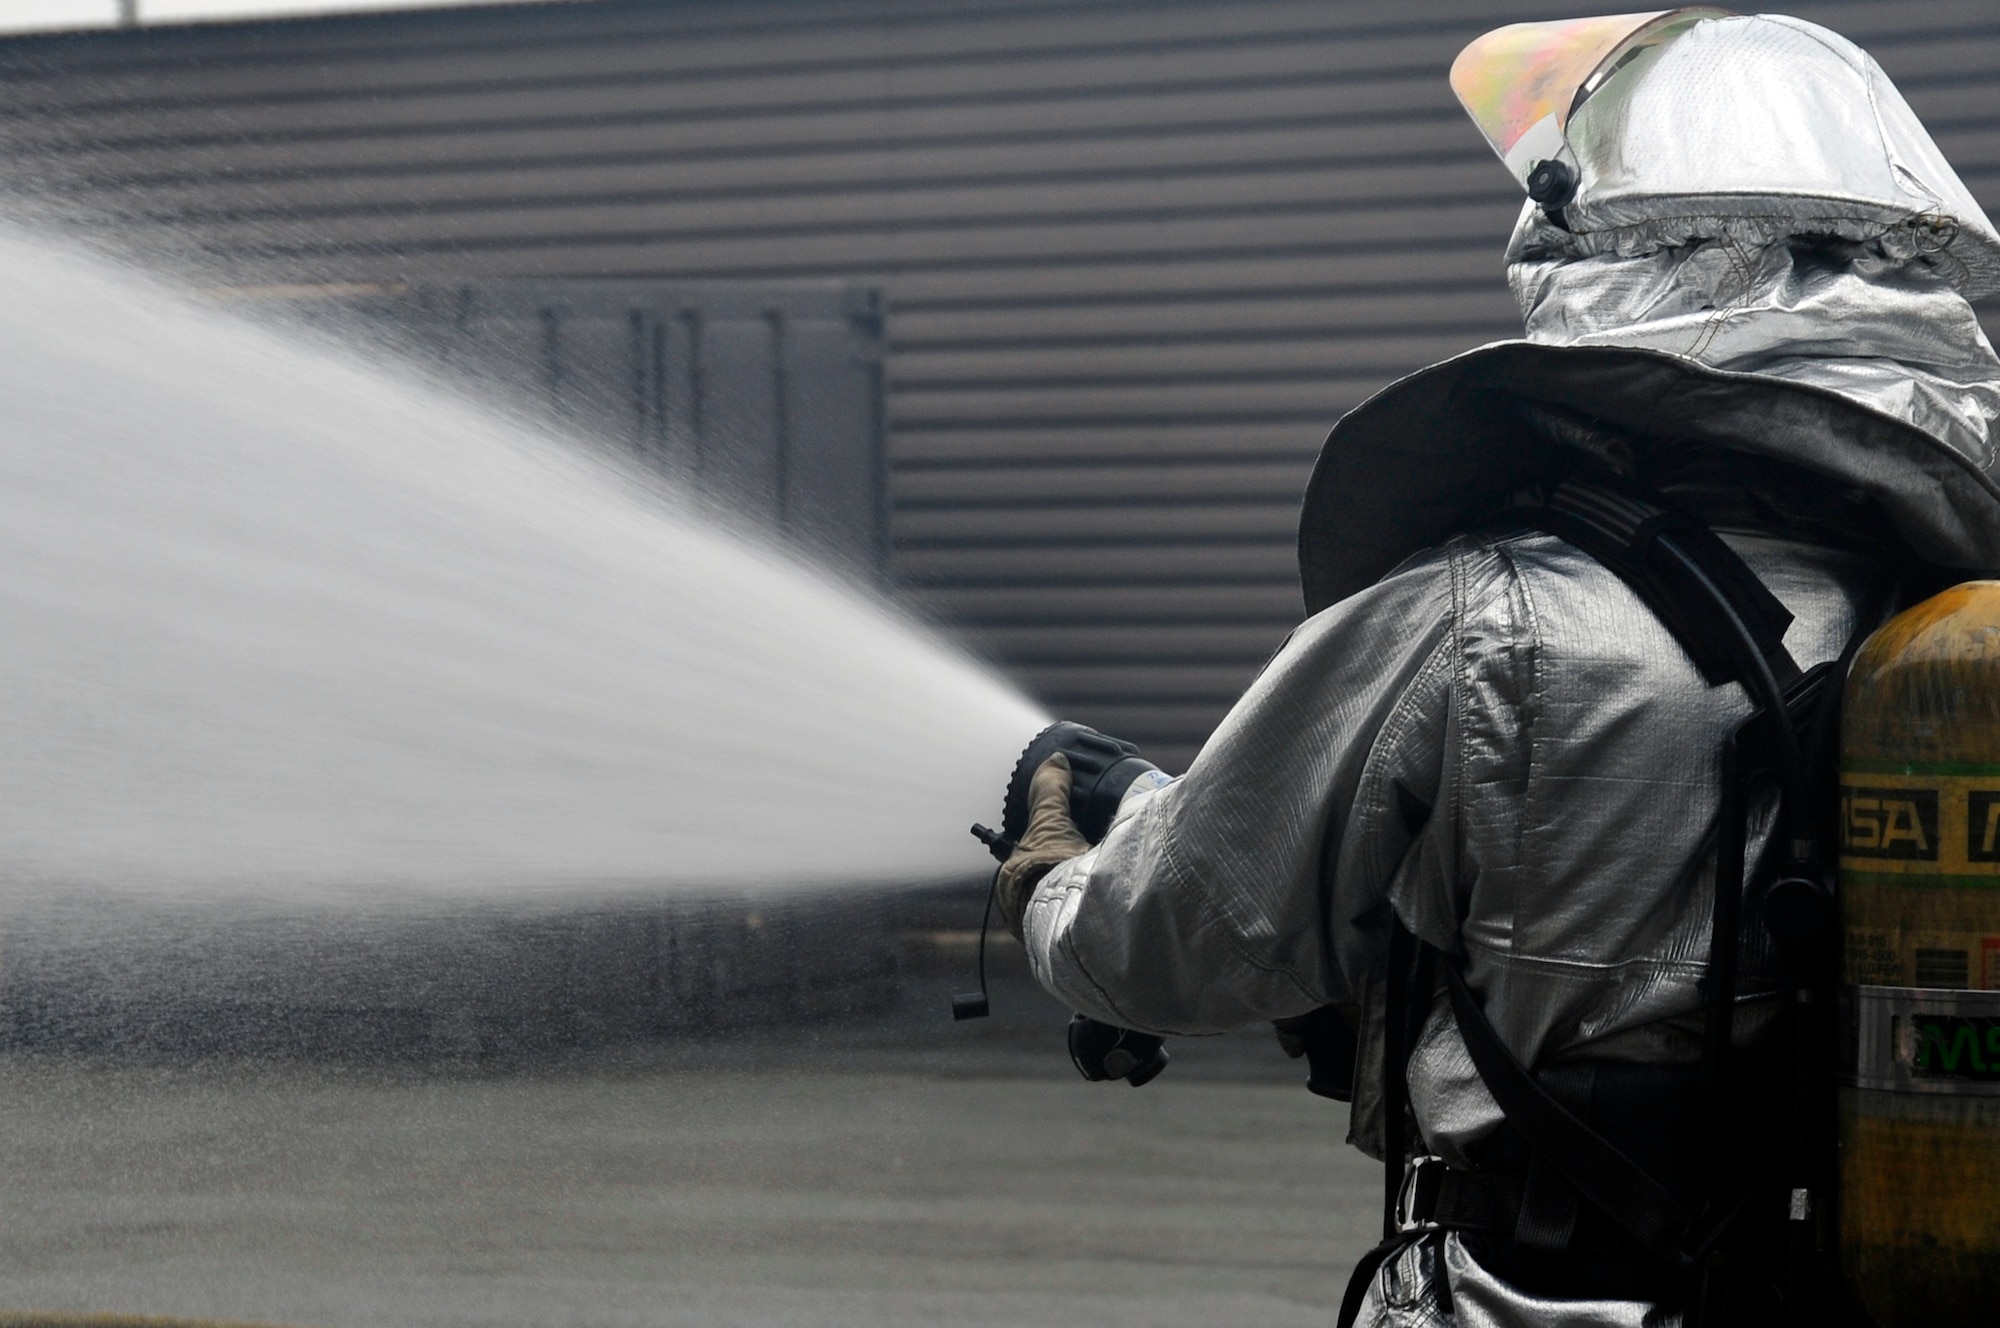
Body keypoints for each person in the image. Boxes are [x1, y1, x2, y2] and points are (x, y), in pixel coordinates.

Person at [993, 11, 2000, 1327]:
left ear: (1615, 264)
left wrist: (1055, 881)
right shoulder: (1952, 619)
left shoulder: (1488, 613)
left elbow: (1172, 944)